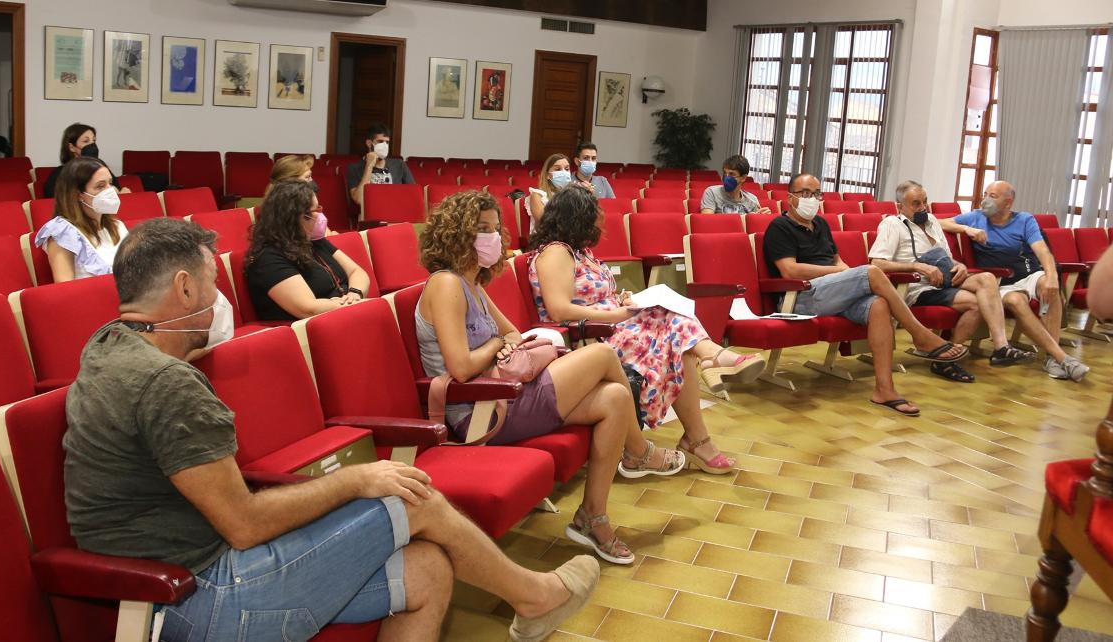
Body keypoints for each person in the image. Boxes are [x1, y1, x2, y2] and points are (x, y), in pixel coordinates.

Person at [63, 217, 598, 642]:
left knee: (428, 569)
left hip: (179, 577)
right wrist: (356, 480)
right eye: (210, 282)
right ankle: (534, 595)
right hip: (202, 595)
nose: (218, 298)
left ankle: (532, 600)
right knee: (408, 496)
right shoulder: (166, 385)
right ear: (183, 288)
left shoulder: (108, 345)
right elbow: (244, 524)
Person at [417, 191, 684, 564]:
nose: (492, 238)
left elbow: (512, 334)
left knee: (616, 399)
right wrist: (497, 345)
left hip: (503, 393)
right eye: (481, 229)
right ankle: (638, 452)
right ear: (457, 233)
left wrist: (503, 344)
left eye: (495, 229)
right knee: (604, 353)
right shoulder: (446, 284)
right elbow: (461, 368)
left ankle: (593, 516)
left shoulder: (472, 283)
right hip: (478, 413)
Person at [529, 186, 763, 473]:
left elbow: (592, 295)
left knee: (676, 329)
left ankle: (701, 422)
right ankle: (713, 367)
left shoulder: (580, 252)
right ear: (577, 218)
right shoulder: (556, 252)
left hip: (610, 325)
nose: (601, 223)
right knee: (677, 335)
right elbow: (558, 309)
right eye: (595, 216)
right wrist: (616, 313)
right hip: (587, 338)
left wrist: (621, 301)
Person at [764, 174, 971, 416]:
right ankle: (920, 334)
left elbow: (838, 260)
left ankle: (885, 389)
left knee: (879, 305)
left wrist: (844, 273)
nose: (813, 199)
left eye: (817, 193)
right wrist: (844, 273)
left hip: (832, 292)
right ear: (790, 198)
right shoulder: (780, 227)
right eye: (806, 193)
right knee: (872, 271)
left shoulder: (821, 224)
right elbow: (790, 270)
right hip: (801, 295)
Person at [869, 180, 1034, 382]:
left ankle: (1000, 346)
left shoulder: (932, 222)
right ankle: (947, 357)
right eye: (916, 203)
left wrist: (960, 265)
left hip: (944, 277)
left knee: (988, 278)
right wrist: (917, 266)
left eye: (925, 202)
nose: (923, 207)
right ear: (900, 206)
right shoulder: (892, 224)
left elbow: (947, 257)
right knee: (975, 304)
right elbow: (877, 263)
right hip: (916, 285)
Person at [945, 181, 1089, 381]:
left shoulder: (1024, 219)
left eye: (992, 196)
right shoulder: (975, 217)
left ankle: (1052, 358)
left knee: (1049, 288)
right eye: (985, 194)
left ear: (1008, 203)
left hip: (1029, 275)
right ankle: (1061, 357)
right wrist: (966, 229)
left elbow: (1042, 251)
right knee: (1015, 301)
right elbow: (938, 222)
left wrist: (1052, 277)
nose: (985, 199)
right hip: (1000, 281)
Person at [245, 180, 369, 322]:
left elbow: (357, 271)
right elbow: (308, 308)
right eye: (316, 210)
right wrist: (353, 305)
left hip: (344, 310)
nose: (321, 216)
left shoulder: (314, 240)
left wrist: (355, 294)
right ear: (294, 217)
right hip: (312, 327)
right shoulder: (268, 258)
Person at [35, 156, 128, 282]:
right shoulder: (63, 233)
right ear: (77, 195)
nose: (110, 191)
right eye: (100, 186)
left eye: (110, 183)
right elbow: (65, 289)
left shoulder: (118, 226)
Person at [43, 123, 130, 198]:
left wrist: (121, 193)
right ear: (72, 147)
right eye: (86, 141)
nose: (92, 145)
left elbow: (116, 188)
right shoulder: (61, 173)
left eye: (94, 141)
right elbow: (57, 201)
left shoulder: (101, 166)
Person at [346, 125, 415, 208]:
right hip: (371, 216)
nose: (384, 145)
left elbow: (414, 195)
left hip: (396, 212)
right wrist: (369, 166)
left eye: (387, 142)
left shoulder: (399, 164)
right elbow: (359, 200)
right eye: (380, 141)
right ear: (369, 143)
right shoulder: (354, 168)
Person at [699, 154, 771, 215]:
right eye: (724, 173)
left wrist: (763, 217)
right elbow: (707, 221)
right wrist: (745, 218)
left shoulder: (752, 200)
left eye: (731, 174)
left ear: (743, 178)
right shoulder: (711, 192)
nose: (726, 177)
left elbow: (755, 226)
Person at [528, 154, 571, 226]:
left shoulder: (573, 194)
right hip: (547, 235)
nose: (564, 172)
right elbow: (543, 222)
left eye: (567, 169)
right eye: (557, 169)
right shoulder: (538, 195)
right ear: (548, 175)